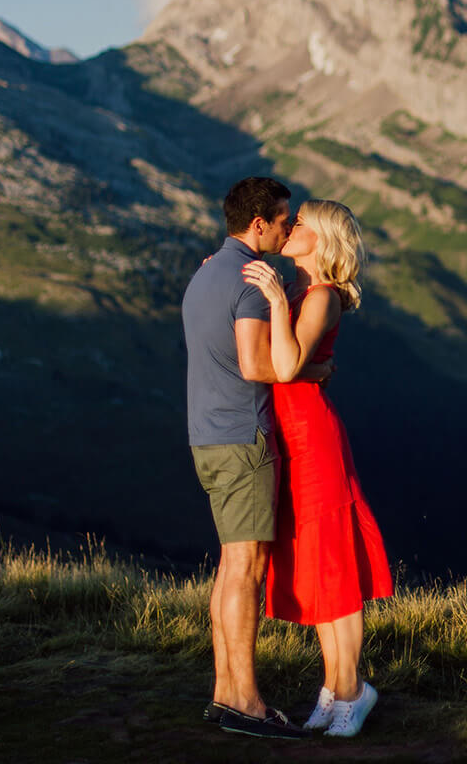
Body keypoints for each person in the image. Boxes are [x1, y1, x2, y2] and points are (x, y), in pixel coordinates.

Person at [181, 176, 328, 740]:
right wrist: (307, 370)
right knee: (247, 569)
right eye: (284, 220)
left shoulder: (205, 273)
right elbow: (254, 364)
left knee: (229, 565)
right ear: (258, 224)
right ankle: (245, 701)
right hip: (243, 440)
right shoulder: (247, 283)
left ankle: (225, 693)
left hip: (205, 437)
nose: (291, 228)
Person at [242, 199, 393, 738]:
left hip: (313, 442)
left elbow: (288, 365)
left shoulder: (320, 295)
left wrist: (276, 303)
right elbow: (299, 366)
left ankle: (353, 692)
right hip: (296, 438)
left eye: (301, 223)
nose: (292, 227)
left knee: (335, 567)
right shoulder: (311, 294)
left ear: (322, 239)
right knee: (319, 567)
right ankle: (335, 687)